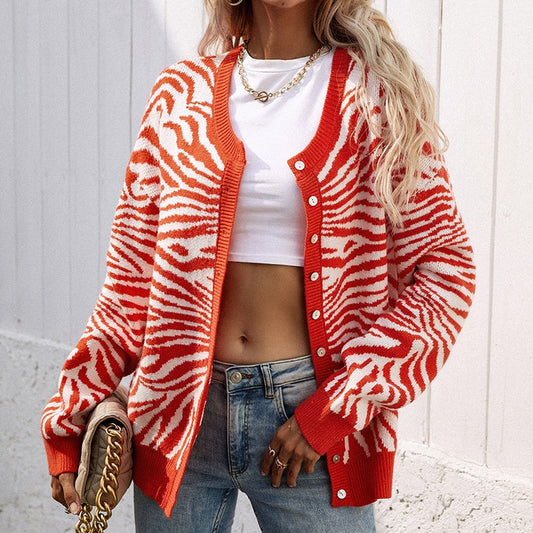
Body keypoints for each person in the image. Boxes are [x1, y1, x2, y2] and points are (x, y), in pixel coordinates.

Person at [42, 0, 476, 531]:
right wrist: (69, 417)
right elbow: (129, 283)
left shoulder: (376, 98)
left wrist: (336, 408)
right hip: (180, 415)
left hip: (309, 422)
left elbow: (446, 271)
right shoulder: (179, 96)